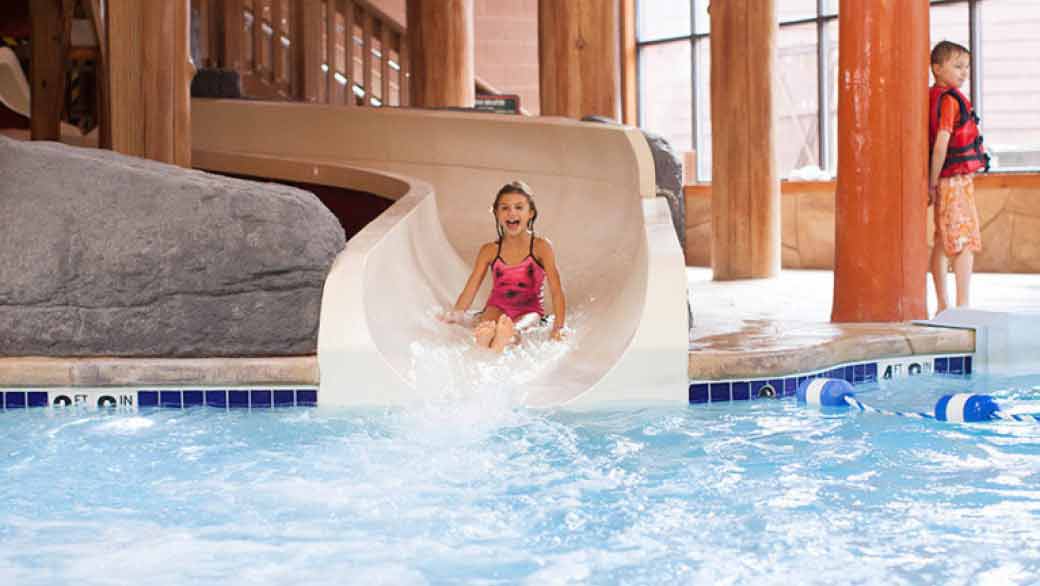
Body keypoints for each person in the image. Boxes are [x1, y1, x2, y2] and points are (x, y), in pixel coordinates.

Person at [441, 181, 566, 352]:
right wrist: (456, 314)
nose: (511, 212)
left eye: (519, 207)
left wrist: (558, 328)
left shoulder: (541, 247)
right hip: (497, 306)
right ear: (497, 213)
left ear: (531, 213)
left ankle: (505, 338)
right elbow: (472, 287)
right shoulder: (489, 250)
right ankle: (487, 338)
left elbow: (556, 289)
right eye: (505, 208)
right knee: (488, 325)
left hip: (529, 309)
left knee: (518, 328)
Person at [927, 40, 989, 316]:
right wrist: (932, 180)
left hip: (946, 179)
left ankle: (943, 303)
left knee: (942, 240)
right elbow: (942, 143)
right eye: (957, 66)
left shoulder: (937, 98)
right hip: (952, 180)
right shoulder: (950, 101)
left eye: (966, 67)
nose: (964, 73)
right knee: (964, 240)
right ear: (937, 68)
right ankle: (962, 305)